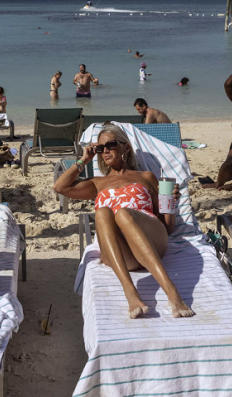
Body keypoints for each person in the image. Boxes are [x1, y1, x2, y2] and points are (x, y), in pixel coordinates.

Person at [54, 124, 194, 319]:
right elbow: (60, 187)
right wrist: (84, 159)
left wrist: (170, 201)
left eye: (110, 145)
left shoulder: (145, 177)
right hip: (123, 255)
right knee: (103, 212)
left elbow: (168, 227)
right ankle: (130, 292)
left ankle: (172, 291)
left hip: (152, 241)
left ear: (125, 147)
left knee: (123, 214)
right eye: (101, 148)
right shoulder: (97, 183)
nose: (105, 151)